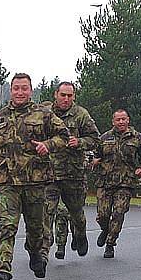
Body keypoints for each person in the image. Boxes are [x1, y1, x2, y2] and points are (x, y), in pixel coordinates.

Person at [0, 73, 69, 280]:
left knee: (36, 228)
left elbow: (64, 136)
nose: (20, 92)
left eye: (24, 88)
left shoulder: (43, 114)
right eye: (16, 88)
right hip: (6, 181)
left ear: (31, 91)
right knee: (8, 225)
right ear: (11, 90)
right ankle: (2, 272)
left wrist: (48, 145)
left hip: (35, 181)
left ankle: (35, 252)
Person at [40, 82, 100, 260]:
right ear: (55, 95)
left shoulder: (80, 114)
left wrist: (80, 142)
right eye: (63, 95)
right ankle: (42, 255)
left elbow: (95, 139)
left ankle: (80, 235)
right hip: (49, 174)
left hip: (73, 175)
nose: (66, 99)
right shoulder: (44, 113)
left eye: (70, 95)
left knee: (76, 214)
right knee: (46, 214)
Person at [93, 108, 141, 258]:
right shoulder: (105, 137)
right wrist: (93, 161)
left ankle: (110, 244)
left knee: (118, 214)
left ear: (128, 120)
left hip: (125, 182)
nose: (121, 122)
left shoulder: (137, 137)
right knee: (102, 215)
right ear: (113, 121)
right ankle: (105, 230)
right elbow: (95, 154)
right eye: (118, 119)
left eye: (123, 119)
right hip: (105, 182)